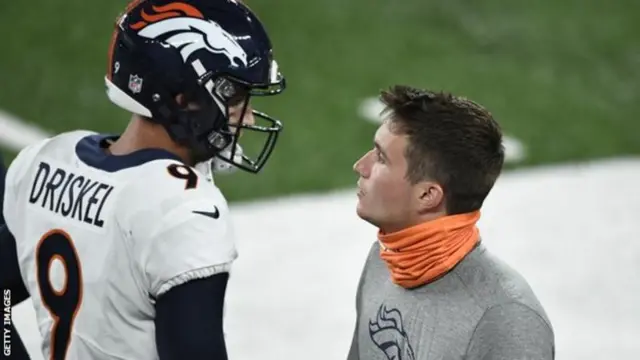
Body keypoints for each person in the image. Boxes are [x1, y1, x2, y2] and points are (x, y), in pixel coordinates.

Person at [0, 0, 286, 358]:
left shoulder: (43, 162)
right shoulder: (184, 209)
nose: (245, 119)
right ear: (184, 99)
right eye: (235, 98)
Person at [347, 85, 554, 360]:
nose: (361, 166)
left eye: (381, 157)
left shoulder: (504, 321)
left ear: (428, 195)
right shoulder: (384, 262)